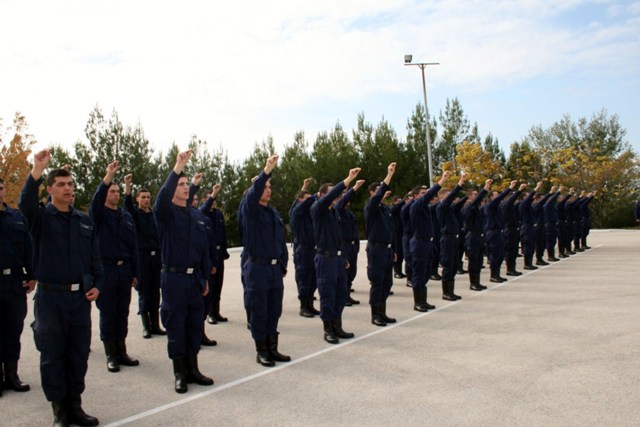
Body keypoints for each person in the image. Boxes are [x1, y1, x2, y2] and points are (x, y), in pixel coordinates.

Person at [19, 149, 103, 426]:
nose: (68, 189)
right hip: (51, 299)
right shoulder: (40, 219)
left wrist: (97, 285)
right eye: (62, 185)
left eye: (71, 184)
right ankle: (60, 412)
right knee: (52, 355)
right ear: (51, 190)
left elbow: (94, 259)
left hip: (79, 299)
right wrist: (37, 171)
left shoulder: (84, 221)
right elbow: (26, 203)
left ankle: (75, 406)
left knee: (77, 354)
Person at [153, 150, 214, 393]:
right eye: (181, 184)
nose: (185, 187)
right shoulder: (166, 214)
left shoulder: (196, 216)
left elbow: (202, 250)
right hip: (174, 278)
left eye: (187, 184)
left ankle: (193, 368)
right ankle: (179, 373)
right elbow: (161, 199)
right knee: (176, 325)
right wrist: (178, 166)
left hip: (194, 279)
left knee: (193, 326)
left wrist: (204, 278)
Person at [90, 162, 140, 373]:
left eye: (118, 191)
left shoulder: (126, 216)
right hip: (106, 270)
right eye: (112, 191)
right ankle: (111, 354)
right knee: (108, 314)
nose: (116, 194)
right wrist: (108, 175)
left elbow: (133, 246)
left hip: (124, 271)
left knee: (122, 312)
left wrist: (135, 273)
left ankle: (121, 350)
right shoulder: (99, 215)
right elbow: (95, 201)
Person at [241, 155, 290, 366]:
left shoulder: (273, 213)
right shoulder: (249, 210)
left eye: (270, 186)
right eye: (265, 186)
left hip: (273, 270)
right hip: (257, 268)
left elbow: (280, 240)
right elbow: (255, 191)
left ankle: (273, 349)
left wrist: (282, 264)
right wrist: (267, 169)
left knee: (273, 310)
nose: (268, 189)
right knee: (259, 310)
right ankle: (261, 351)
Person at [311, 167, 361, 343]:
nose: (336, 196)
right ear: (322, 195)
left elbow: (339, 238)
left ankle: (337, 326)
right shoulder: (318, 210)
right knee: (328, 295)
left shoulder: (335, 213)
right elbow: (333, 197)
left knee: (340, 295)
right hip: (325, 259)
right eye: (331, 193)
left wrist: (344, 258)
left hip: (338, 259)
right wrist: (347, 180)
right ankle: (328, 330)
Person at [0, 178, 35, 397]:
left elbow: (28, 247)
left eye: (0, 187)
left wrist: (32, 275)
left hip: (13, 282)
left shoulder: (16, 217)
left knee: (13, 330)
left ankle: (12, 375)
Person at [123, 174, 165, 339]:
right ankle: (146, 326)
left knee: (156, 292)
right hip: (142, 258)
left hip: (156, 259)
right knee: (144, 292)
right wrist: (127, 186)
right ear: (137, 199)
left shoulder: (154, 215)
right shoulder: (135, 215)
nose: (146, 200)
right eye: (143, 197)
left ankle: (156, 325)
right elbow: (127, 205)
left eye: (148, 197)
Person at [409, 172, 450, 311]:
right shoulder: (415, 206)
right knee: (419, 273)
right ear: (415, 196)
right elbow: (428, 197)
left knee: (426, 272)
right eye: (422, 193)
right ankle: (418, 302)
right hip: (419, 243)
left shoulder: (426, 208)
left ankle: (423, 300)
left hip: (428, 243)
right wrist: (441, 181)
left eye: (425, 192)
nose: (425, 194)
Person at [364, 163, 397, 326]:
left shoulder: (385, 209)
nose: (382, 193)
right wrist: (389, 175)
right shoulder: (371, 207)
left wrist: (394, 249)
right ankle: (375, 314)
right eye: (378, 190)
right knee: (377, 282)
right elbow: (377, 198)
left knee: (387, 282)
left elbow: (391, 231)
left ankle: (382, 312)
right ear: (372, 193)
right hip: (376, 249)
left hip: (387, 250)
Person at [289, 178, 320, 318]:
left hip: (313, 249)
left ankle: (310, 305)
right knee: (304, 279)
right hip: (303, 250)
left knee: (313, 279)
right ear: (300, 200)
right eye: (306, 199)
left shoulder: (309, 214)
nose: (310, 201)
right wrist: (315, 195)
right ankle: (303, 307)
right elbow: (298, 205)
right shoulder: (297, 213)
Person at [200, 184, 231, 324]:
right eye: (210, 199)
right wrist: (213, 193)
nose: (213, 201)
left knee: (218, 285)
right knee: (210, 287)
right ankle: (210, 313)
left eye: (214, 199)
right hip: (208, 256)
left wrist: (224, 251)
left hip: (219, 255)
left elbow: (222, 233)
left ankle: (217, 312)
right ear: (203, 201)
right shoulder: (203, 213)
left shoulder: (218, 214)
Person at [436, 172, 469, 300]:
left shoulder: (450, 208)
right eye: (448, 196)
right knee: (448, 266)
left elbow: (459, 202)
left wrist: (468, 195)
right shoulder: (441, 207)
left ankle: (451, 291)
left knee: (454, 265)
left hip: (454, 239)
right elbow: (453, 196)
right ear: (443, 197)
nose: (451, 198)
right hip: (447, 239)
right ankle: (446, 293)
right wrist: (460, 182)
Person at [336, 178, 366, 306]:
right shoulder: (339, 210)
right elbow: (342, 202)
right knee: (345, 273)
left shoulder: (349, 212)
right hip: (345, 245)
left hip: (352, 246)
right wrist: (354, 188)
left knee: (351, 272)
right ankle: (343, 297)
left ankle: (347, 294)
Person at [483, 180, 517, 282]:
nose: (497, 197)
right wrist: (510, 188)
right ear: (490, 198)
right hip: (493, 233)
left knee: (500, 254)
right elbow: (501, 198)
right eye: (495, 196)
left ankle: (497, 274)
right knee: (494, 254)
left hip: (499, 232)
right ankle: (493, 275)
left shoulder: (498, 208)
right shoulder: (490, 206)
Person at [462, 179, 492, 291]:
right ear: (469, 197)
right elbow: (476, 202)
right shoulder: (468, 207)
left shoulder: (477, 208)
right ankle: (473, 283)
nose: (476, 196)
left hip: (479, 236)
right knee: (473, 261)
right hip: (472, 236)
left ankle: (477, 282)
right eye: (474, 195)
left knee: (479, 260)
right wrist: (485, 189)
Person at [518, 182, 543, 270]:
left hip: (531, 227)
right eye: (527, 196)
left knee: (532, 246)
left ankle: (530, 263)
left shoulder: (529, 206)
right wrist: (536, 188)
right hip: (526, 227)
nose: (530, 198)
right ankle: (527, 264)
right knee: (528, 246)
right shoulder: (522, 205)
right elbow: (528, 200)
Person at [503, 183, 525, 276]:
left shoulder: (512, 207)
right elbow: (511, 200)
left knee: (514, 250)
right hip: (509, 230)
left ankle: (512, 268)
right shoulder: (506, 205)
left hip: (514, 229)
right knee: (510, 250)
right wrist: (519, 190)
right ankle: (509, 269)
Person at [543, 185, 562, 262]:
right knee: (550, 241)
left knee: (553, 240)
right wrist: (557, 192)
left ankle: (552, 255)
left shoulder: (551, 206)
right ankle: (550, 256)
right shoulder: (546, 205)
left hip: (553, 224)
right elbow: (551, 200)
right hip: (549, 225)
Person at [390, 195, 406, 279]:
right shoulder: (393, 209)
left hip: (401, 233)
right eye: (398, 201)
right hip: (395, 233)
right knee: (398, 252)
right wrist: (402, 201)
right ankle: (396, 271)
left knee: (402, 253)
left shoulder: (401, 209)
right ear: (394, 202)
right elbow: (394, 209)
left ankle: (399, 271)